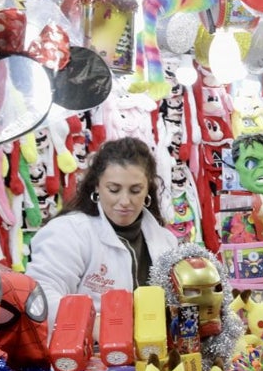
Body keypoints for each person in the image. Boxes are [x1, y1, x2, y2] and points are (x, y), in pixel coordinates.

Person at [27, 136, 178, 326]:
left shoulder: (166, 241)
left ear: (148, 188)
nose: (124, 201)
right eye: (114, 189)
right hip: (84, 352)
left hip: (152, 353)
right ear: (97, 186)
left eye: (135, 190)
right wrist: (96, 327)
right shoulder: (68, 232)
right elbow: (40, 297)